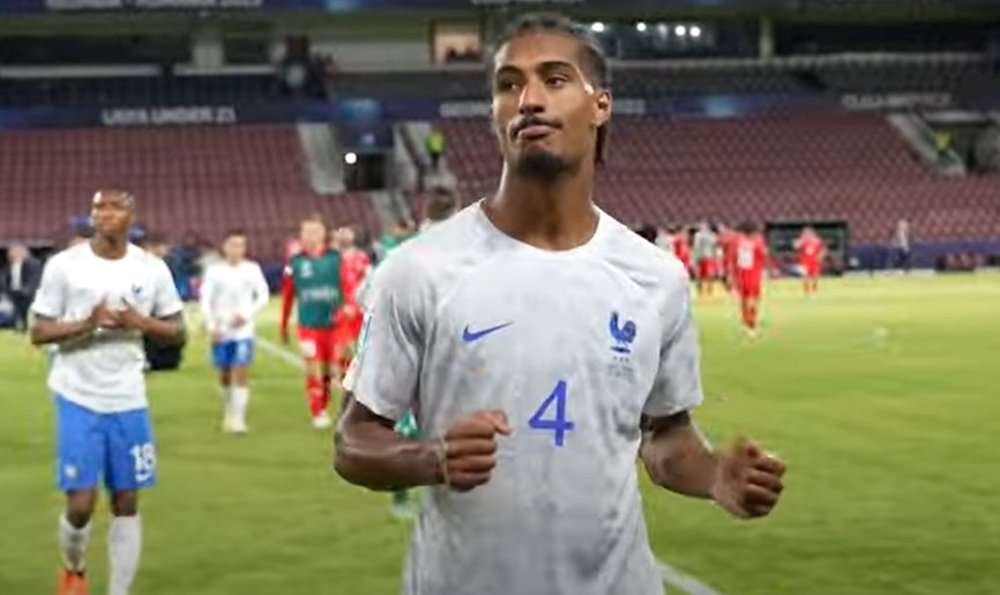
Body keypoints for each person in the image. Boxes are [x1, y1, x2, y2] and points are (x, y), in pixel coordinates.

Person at [334, 13, 786, 595]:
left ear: (600, 105)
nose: (528, 99)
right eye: (508, 84)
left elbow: (667, 438)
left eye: (554, 79)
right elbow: (353, 440)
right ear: (494, 113)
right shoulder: (419, 270)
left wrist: (715, 477)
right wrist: (430, 459)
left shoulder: (655, 278)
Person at [30, 189, 185, 595]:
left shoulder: (151, 269)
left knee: (126, 501)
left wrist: (141, 322)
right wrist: (87, 323)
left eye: (115, 207)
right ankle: (74, 567)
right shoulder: (65, 266)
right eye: (99, 206)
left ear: (132, 215)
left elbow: (178, 329)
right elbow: (39, 331)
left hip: (129, 398)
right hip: (77, 394)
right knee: (80, 504)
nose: (105, 213)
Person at [199, 230, 270, 434]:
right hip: (221, 329)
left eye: (240, 245)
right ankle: (228, 409)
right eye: (233, 245)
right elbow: (206, 299)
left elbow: (263, 295)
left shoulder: (252, 269)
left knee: (241, 370)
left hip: (243, 331)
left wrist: (246, 315)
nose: (236, 249)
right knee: (224, 373)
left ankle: (238, 419)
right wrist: (212, 326)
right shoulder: (214, 271)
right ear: (225, 247)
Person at [280, 215, 344, 429]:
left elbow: (349, 289)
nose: (309, 236)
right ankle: (317, 410)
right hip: (308, 325)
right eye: (305, 232)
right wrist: (283, 324)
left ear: (324, 234)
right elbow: (288, 295)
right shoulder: (295, 262)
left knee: (332, 370)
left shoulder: (337, 259)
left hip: (334, 326)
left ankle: (330, 406)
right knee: (313, 366)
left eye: (314, 231)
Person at [331, 225, 371, 385]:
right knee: (341, 343)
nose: (344, 235)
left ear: (353, 236)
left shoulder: (362, 257)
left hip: (360, 308)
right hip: (342, 307)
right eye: (341, 231)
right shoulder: (333, 259)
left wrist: (361, 304)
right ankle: (341, 375)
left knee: (360, 344)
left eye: (347, 232)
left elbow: (369, 281)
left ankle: (360, 375)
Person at [734, 222, 770, 337]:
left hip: (741, 275)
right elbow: (764, 255)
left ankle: (746, 323)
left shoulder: (738, 242)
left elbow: (733, 258)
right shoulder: (757, 242)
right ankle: (751, 326)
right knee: (753, 300)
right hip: (753, 275)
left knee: (744, 300)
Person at [3, 243, 42, 333]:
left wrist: (25, 291)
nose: (11, 255)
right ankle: (17, 327)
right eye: (10, 254)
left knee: (26, 310)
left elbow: (34, 280)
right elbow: (6, 279)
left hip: (28, 294)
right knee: (16, 310)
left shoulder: (32, 263)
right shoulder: (9, 265)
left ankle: (27, 327)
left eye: (14, 253)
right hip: (14, 293)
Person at [794, 226, 826, 295]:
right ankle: (806, 291)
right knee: (805, 277)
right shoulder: (803, 240)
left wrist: (820, 256)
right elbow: (796, 246)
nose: (807, 234)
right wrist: (799, 241)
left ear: (812, 233)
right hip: (805, 262)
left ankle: (814, 291)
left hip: (815, 262)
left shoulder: (817, 241)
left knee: (815, 277)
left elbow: (823, 250)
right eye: (805, 233)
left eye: (808, 233)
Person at [692, 221, 718, 297]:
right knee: (704, 274)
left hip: (706, 256)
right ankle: (707, 290)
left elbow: (696, 246)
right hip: (706, 256)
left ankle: (705, 290)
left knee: (704, 274)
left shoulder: (699, 235)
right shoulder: (711, 235)